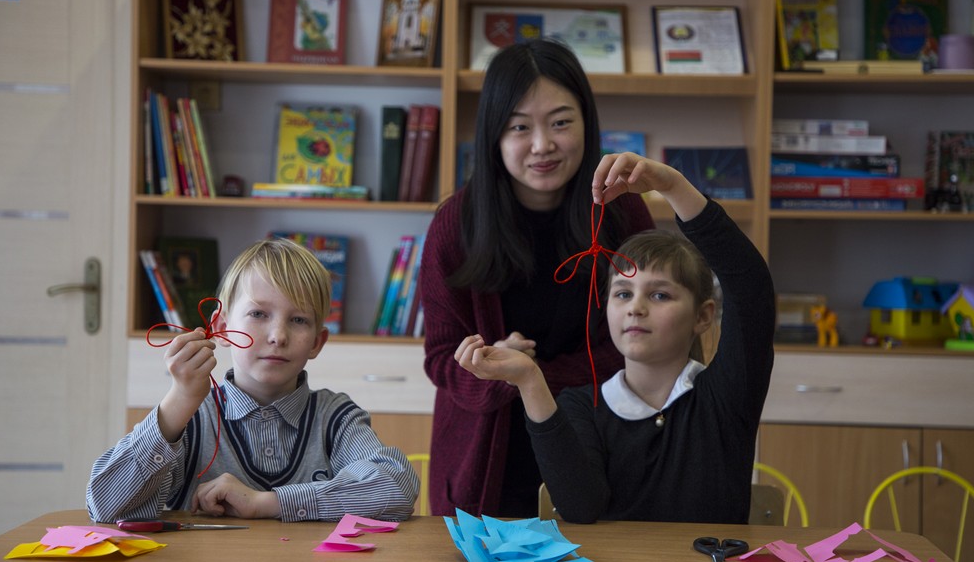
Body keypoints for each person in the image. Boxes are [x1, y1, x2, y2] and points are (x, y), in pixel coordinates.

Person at [455, 155, 775, 524]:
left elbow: (751, 288)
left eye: (659, 295)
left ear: (703, 316)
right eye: (623, 293)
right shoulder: (582, 405)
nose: (635, 308)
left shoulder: (726, 395)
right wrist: (530, 380)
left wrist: (673, 186)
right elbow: (581, 507)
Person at [419, 38, 655, 517]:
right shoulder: (456, 224)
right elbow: (441, 359)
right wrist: (490, 367)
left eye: (561, 122)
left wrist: (531, 376)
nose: (542, 145)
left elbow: (644, 340)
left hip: (602, 449)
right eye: (519, 127)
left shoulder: (622, 213)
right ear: (493, 135)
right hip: (486, 462)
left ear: (587, 122)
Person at [88, 238, 418, 523]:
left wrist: (266, 503)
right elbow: (105, 507)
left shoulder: (335, 418)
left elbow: (397, 487)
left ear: (317, 343)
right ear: (221, 328)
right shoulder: (191, 417)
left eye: (298, 320)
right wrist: (180, 399)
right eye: (258, 314)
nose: (278, 336)